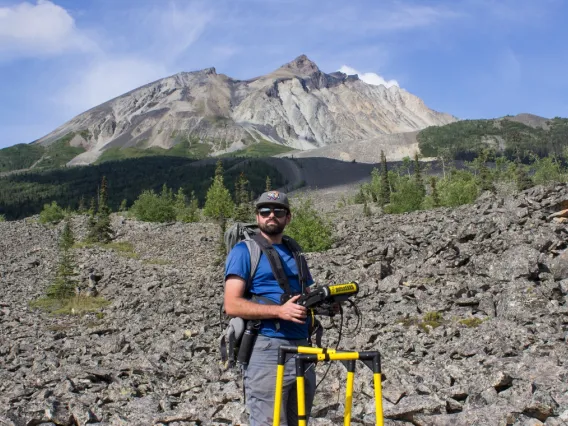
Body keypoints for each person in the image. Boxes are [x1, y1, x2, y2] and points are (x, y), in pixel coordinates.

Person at [224, 190, 316, 425]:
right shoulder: (244, 251)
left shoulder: (295, 251)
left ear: (288, 217)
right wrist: (279, 311)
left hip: (303, 346)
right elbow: (231, 304)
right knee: (269, 421)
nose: (271, 215)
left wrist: (325, 304)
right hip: (266, 347)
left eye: (278, 211)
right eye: (265, 211)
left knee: (300, 420)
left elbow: (306, 292)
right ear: (257, 217)